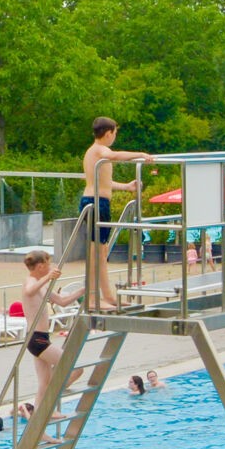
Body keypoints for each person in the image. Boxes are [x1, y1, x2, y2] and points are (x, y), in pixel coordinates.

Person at [82, 117, 153, 309]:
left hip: (98, 202)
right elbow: (113, 156)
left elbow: (105, 183)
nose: (115, 137)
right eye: (115, 133)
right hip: (96, 203)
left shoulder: (94, 153)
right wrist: (140, 154)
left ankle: (107, 296)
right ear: (108, 133)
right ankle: (92, 298)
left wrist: (127, 186)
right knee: (96, 253)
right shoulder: (99, 150)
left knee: (101, 251)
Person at [22, 251, 86, 420]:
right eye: (48, 265)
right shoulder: (31, 281)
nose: (51, 268)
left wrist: (82, 290)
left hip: (41, 337)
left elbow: (63, 301)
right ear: (41, 266)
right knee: (71, 365)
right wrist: (49, 277)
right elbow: (29, 291)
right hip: (36, 338)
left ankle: (41, 412)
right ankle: (59, 390)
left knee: (44, 382)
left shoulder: (42, 285)